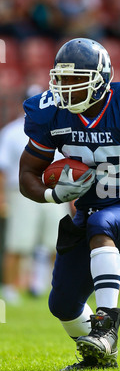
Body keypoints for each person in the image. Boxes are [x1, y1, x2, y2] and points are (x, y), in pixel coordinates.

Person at [19, 37, 120, 371]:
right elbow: (28, 174)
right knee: (62, 303)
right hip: (88, 215)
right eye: (61, 79)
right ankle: (99, 358)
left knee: (102, 222)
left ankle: (107, 328)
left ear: (100, 79)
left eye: (75, 80)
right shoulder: (50, 112)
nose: (65, 89)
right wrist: (52, 195)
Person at [0, 86, 70, 303]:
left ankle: (56, 287)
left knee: (58, 243)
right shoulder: (11, 132)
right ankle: (9, 288)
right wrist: (2, 198)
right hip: (21, 192)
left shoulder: (56, 128)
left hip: (55, 189)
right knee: (18, 243)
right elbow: (2, 169)